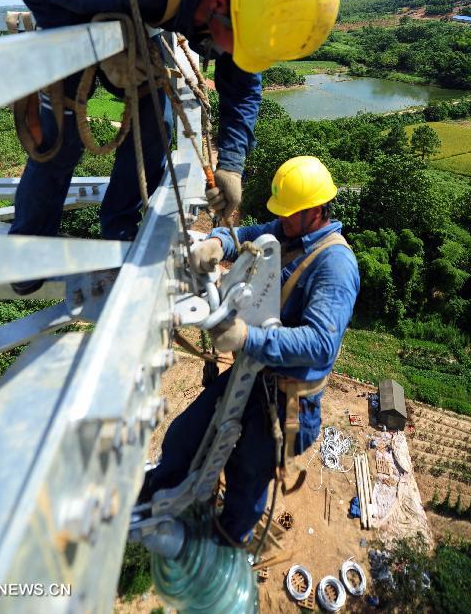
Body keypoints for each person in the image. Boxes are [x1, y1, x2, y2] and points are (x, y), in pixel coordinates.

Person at [9, 0, 339, 294]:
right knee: (60, 142)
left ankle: (118, 233)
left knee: (158, 125)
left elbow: (243, 87)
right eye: (236, 47)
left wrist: (231, 166)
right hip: (78, 16)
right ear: (217, 3)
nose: (231, 56)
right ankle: (27, 252)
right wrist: (97, 44)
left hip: (143, 25)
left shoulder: (246, 1)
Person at [140, 156, 360, 544]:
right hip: (253, 376)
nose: (281, 220)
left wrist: (246, 339)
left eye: (290, 214)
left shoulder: (335, 265)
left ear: (315, 211)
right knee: (185, 436)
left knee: (246, 475)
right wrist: (216, 242)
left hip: (287, 402)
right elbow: (246, 236)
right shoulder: (287, 233)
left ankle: (226, 540)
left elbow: (320, 343)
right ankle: (153, 497)